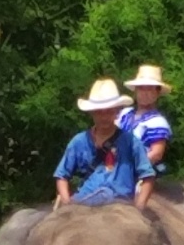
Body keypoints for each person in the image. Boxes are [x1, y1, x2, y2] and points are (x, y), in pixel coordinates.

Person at [54, 78, 156, 209]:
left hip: (120, 204)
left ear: (117, 111)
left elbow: (148, 176)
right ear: (92, 113)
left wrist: (139, 207)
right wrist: (67, 202)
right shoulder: (79, 141)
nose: (104, 117)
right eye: (99, 112)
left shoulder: (131, 142)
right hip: (83, 203)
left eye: (109, 111)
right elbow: (61, 175)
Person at [119, 63, 173, 175]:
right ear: (136, 91)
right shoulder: (125, 114)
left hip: (138, 173)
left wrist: (128, 168)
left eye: (149, 89)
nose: (144, 93)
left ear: (157, 92)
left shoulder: (158, 122)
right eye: (141, 88)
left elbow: (156, 154)